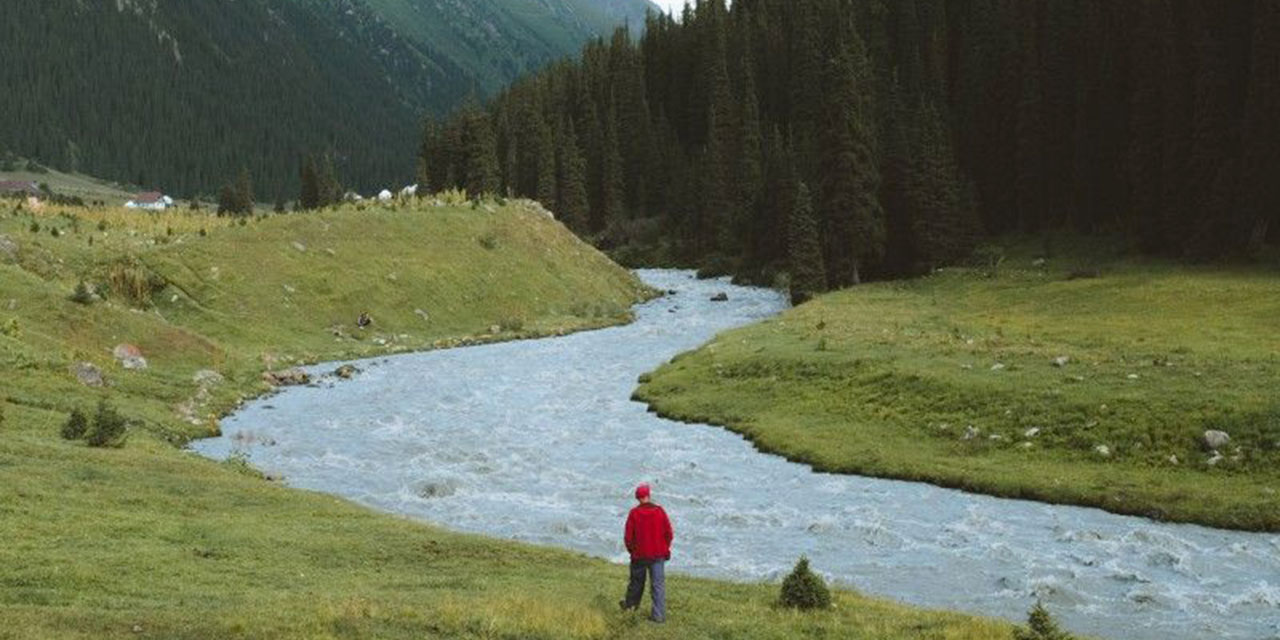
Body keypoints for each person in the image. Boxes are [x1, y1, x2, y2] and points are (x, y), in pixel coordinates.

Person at [620, 483, 673, 623]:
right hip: (657, 555)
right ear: (648, 496)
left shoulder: (634, 513)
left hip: (639, 556)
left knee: (636, 584)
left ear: (637, 498)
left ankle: (630, 610)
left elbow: (628, 538)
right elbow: (668, 533)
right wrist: (664, 548)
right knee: (657, 585)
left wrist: (633, 551)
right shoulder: (660, 511)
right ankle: (659, 616)